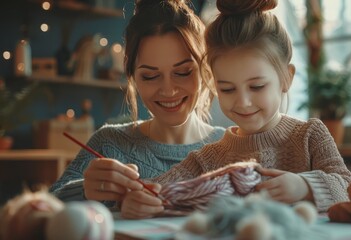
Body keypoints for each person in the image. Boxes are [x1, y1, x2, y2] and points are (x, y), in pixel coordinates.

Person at [120, 0, 351, 219]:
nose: (243, 102)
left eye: (257, 86)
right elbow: (156, 188)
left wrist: (304, 186)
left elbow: (348, 187)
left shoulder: (310, 136)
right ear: (213, 84)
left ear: (286, 77)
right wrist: (136, 199)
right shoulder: (209, 158)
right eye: (228, 89)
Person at [49, 0, 225, 208]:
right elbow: (40, 212)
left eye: (182, 72)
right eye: (150, 76)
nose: (168, 90)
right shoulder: (109, 144)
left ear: (204, 69)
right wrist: (84, 191)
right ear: (132, 77)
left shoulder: (235, 145)